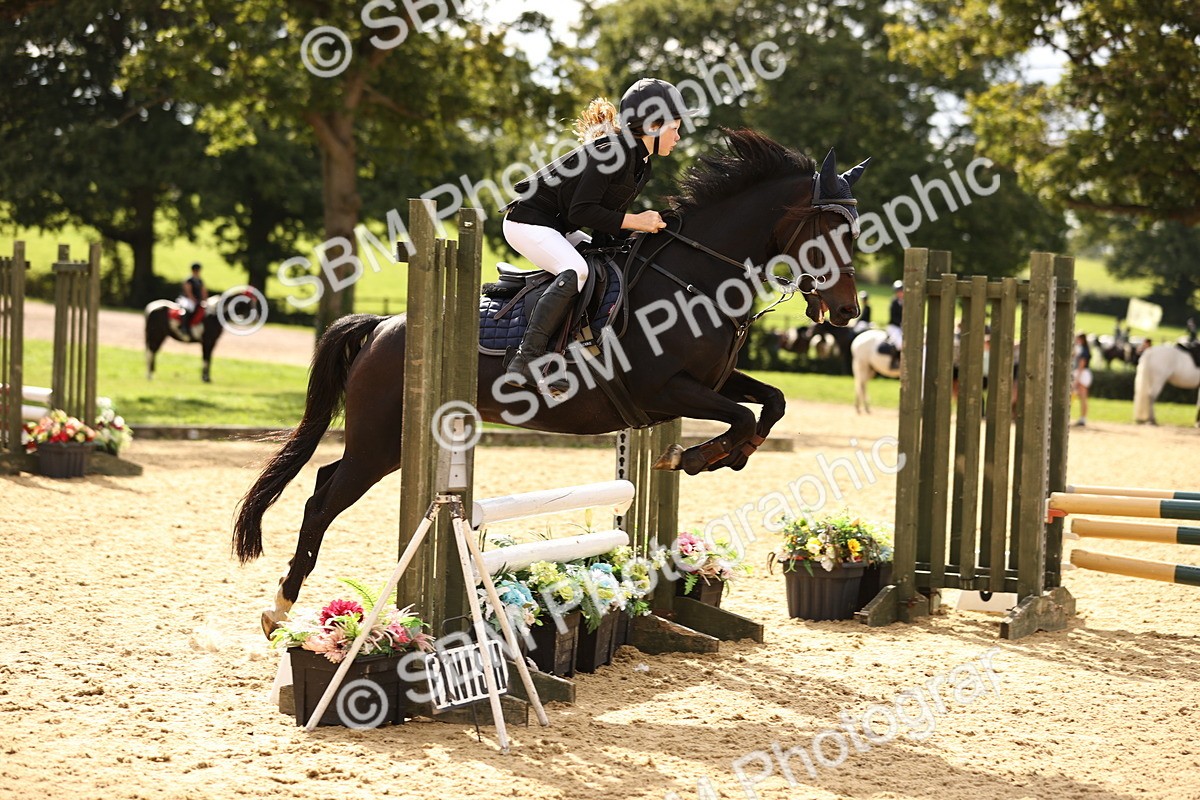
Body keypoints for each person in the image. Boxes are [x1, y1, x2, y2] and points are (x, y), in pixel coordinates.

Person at [502, 78, 690, 393]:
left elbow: (604, 227)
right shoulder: (612, 152)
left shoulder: (641, 165)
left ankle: (572, 348)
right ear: (653, 125)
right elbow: (582, 212)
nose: (679, 136)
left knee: (605, 267)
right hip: (527, 222)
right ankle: (527, 359)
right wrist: (636, 221)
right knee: (576, 270)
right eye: (675, 128)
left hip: (560, 227)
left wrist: (632, 243)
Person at [180, 263, 207, 340]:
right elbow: (188, 292)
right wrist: (193, 299)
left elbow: (203, 291)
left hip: (197, 299)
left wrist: (205, 300)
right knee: (190, 308)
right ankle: (184, 327)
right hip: (187, 299)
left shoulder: (199, 280)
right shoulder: (189, 280)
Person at [1072, 332, 1092, 427]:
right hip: (1082, 373)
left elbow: (1081, 366)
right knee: (1081, 397)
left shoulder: (1083, 351)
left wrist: (1076, 380)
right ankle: (1082, 417)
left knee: (1082, 397)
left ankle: (1083, 418)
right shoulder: (1082, 349)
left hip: (1082, 374)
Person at [885, 280, 904, 369]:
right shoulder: (894, 302)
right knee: (900, 344)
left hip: (902, 326)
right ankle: (894, 362)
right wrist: (901, 323)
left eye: (901, 291)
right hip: (894, 326)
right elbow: (894, 317)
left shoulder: (905, 302)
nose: (900, 293)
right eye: (898, 292)